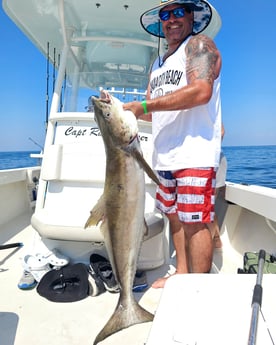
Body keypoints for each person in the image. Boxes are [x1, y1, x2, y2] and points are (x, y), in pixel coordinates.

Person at [123, 0, 222, 288]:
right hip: (164, 154)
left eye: (179, 12)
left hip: (194, 152)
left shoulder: (199, 45)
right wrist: (123, 110)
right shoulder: (157, 63)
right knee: (174, 217)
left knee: (194, 221)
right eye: (166, 15)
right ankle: (180, 273)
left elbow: (202, 91)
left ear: (192, 16)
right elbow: (150, 107)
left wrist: (143, 105)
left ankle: (197, 288)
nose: (172, 20)